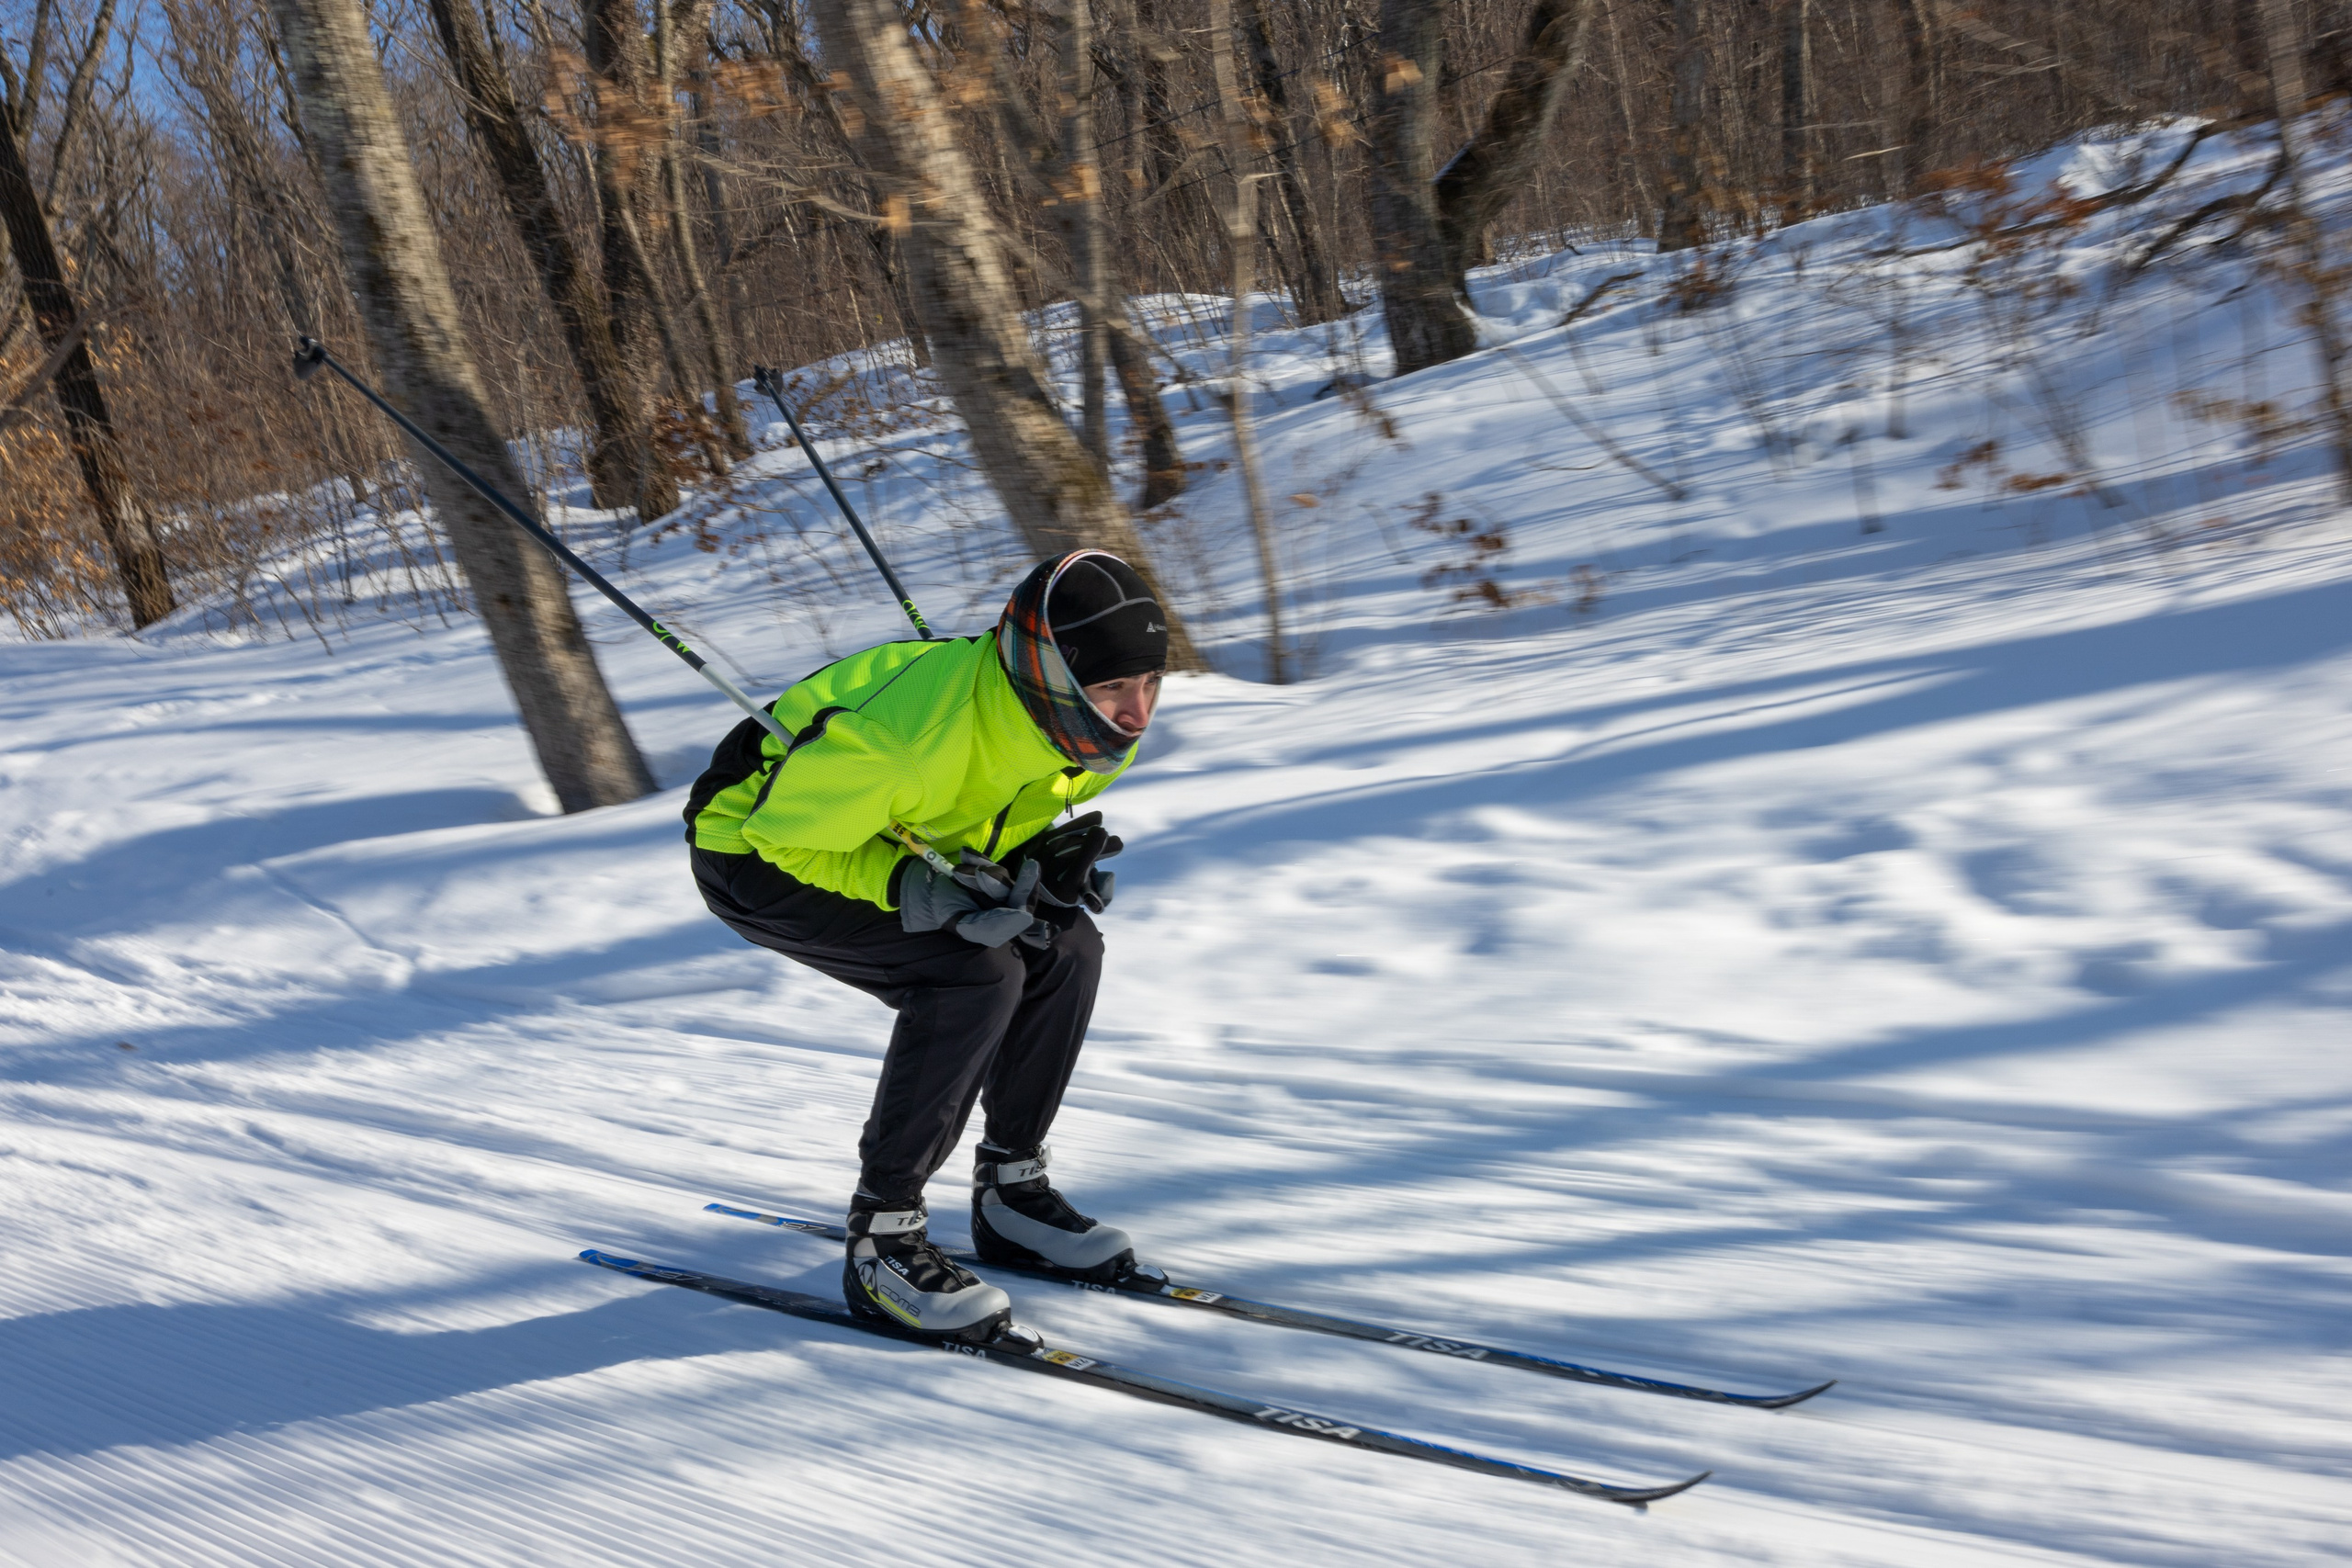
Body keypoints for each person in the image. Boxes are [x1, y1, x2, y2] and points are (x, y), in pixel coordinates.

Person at [684, 549, 1167, 1341]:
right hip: (757, 853)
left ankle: (1010, 1193)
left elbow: (972, 804)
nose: (1135, 712)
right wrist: (914, 889)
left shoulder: (1087, 730)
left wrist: (1025, 863)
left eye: (1148, 682)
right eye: (1111, 686)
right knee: (970, 973)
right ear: (1046, 672)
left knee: (1066, 944)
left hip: (878, 830)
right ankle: (883, 1240)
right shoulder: (907, 738)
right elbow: (784, 838)